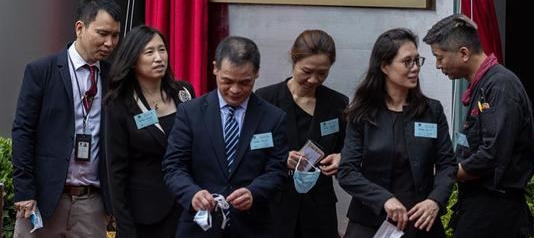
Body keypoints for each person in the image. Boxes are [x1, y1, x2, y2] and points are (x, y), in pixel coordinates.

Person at [12, 0, 122, 238]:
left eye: (115, 36)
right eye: (103, 33)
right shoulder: (42, 71)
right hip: (44, 200)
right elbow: (23, 131)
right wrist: (24, 191)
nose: (110, 43)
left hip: (93, 205)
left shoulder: (114, 78)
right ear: (80, 28)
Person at [162, 36, 288, 238]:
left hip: (252, 227)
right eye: (227, 81)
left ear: (257, 73)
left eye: (245, 83)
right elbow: (174, 165)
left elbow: (278, 170)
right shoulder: (191, 113)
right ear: (215, 69)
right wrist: (192, 193)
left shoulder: (273, 118)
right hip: (200, 227)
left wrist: (253, 192)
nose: (235, 90)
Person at [423, 14, 534, 238]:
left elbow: (492, 153)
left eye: (440, 57)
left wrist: (448, 173)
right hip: (479, 203)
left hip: (495, 209)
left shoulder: (500, 86)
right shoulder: (483, 85)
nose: (438, 65)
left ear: (463, 53)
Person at [338, 28, 456, 238]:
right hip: (370, 221)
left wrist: (435, 200)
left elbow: (447, 164)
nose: (415, 68)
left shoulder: (431, 111)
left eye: (417, 60)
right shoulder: (362, 114)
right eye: (407, 62)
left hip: (421, 221)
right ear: (384, 66)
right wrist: (384, 199)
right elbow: (347, 172)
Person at [255, 29, 348, 238]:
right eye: (307, 71)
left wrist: (341, 158)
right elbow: (252, 151)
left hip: (319, 210)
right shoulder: (266, 99)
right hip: (276, 206)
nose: (313, 79)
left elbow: (348, 148)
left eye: (322, 73)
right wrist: (281, 158)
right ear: (293, 60)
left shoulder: (337, 104)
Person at [104, 25, 195, 238]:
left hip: (186, 205)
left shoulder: (184, 92)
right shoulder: (119, 105)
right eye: (149, 52)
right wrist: (125, 228)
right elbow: (116, 172)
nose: (158, 58)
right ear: (133, 60)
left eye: (162, 50)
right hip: (145, 213)